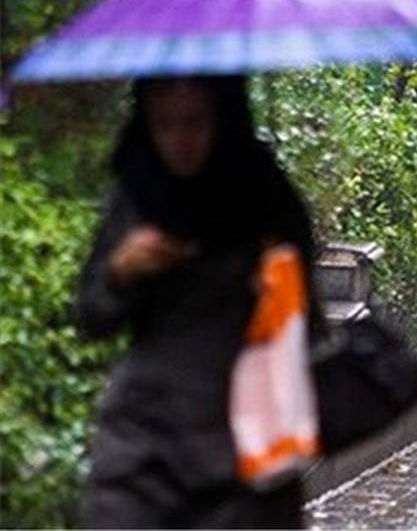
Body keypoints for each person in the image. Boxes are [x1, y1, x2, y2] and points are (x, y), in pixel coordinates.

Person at [76, 76, 323, 529]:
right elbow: (92, 316)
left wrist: (269, 287)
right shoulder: (139, 195)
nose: (180, 140)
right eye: (164, 124)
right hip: (143, 444)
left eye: (194, 123)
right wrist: (121, 271)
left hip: (244, 442)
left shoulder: (268, 203)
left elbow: (308, 328)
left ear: (222, 120)